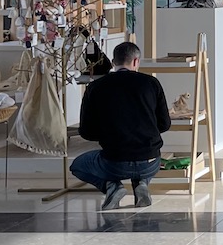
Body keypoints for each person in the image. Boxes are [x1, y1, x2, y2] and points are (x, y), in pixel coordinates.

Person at [71, 40, 171, 210]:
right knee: (145, 160)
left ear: (112, 62)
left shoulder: (95, 87)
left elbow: (86, 131)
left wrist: (106, 134)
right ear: (135, 61)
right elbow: (164, 124)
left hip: (114, 161)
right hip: (150, 160)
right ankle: (142, 183)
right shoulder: (151, 83)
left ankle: (112, 187)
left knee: (78, 166)